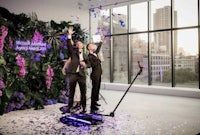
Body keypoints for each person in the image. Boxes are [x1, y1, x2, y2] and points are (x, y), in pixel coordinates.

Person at [65, 26, 90, 114]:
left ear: (82, 46)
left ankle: (84, 108)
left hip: (82, 76)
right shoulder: (73, 53)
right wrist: (69, 35)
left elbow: (89, 64)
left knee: (83, 93)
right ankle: (69, 108)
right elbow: (69, 45)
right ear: (76, 45)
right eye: (78, 43)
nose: (80, 44)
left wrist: (85, 65)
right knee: (71, 92)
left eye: (81, 43)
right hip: (73, 74)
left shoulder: (85, 55)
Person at [86, 41, 103, 113]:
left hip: (98, 73)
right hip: (95, 74)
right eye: (91, 45)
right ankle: (92, 105)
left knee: (97, 88)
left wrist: (100, 43)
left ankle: (95, 102)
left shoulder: (95, 54)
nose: (93, 46)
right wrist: (99, 60)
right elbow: (91, 65)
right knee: (94, 89)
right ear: (89, 48)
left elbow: (98, 49)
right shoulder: (89, 56)